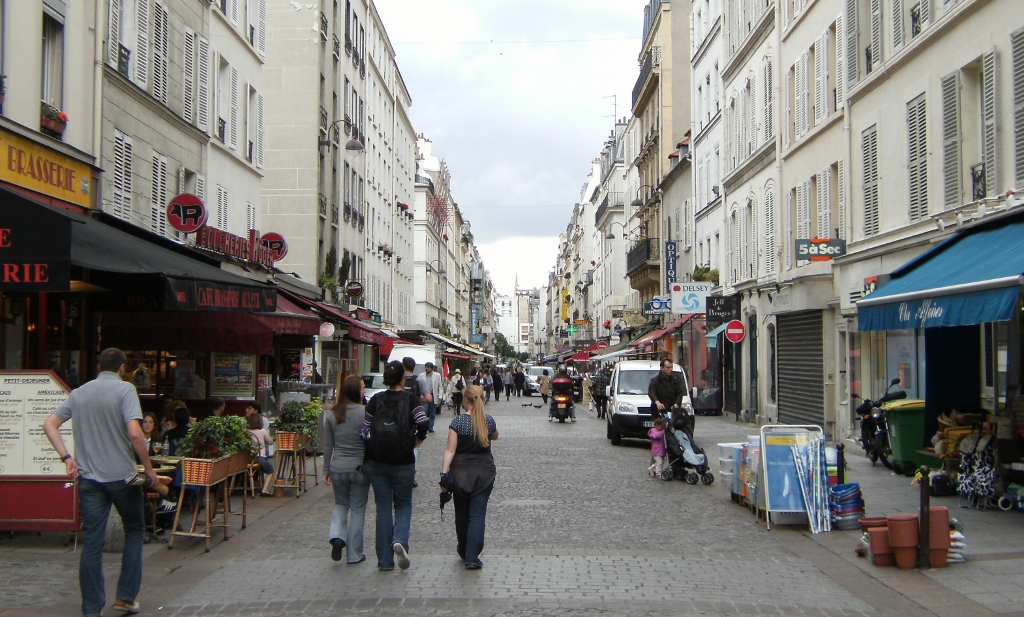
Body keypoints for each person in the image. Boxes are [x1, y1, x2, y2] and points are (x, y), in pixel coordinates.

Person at [42, 348, 159, 617]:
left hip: (89, 477)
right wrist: (149, 468)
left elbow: (49, 424)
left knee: (92, 541)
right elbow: (135, 434)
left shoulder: (79, 393)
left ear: (98, 366)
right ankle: (125, 597)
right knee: (134, 529)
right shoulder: (125, 390)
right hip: (123, 475)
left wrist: (67, 458)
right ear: (122, 368)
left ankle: (92, 608)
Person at [360, 360, 429, 571]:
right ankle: (400, 540)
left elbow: (364, 430)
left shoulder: (376, 400)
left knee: (382, 508)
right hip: (403, 461)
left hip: (377, 461)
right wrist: (418, 439)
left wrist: (372, 444)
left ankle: (384, 561)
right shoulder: (411, 399)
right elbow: (423, 421)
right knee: (403, 504)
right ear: (403, 378)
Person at [440, 384, 498, 570]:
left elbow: (450, 450)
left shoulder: (457, 423)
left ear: (466, 400)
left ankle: (464, 549)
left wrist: (444, 473)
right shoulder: (488, 421)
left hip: (460, 473)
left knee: (462, 514)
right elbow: (495, 436)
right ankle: (473, 555)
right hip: (484, 472)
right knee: (477, 515)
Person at [323, 375, 370, 565]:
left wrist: (326, 469)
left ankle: (337, 535)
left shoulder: (332, 414)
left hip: (338, 467)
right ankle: (354, 554)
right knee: (358, 510)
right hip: (360, 467)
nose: (364, 391)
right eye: (362, 387)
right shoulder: (366, 413)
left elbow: (328, 445)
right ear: (356, 391)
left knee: (341, 504)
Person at [417, 362, 444, 434]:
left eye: (428, 367)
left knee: (432, 413)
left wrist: (440, 396)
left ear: (431, 368)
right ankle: (423, 426)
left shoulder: (437, 375)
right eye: (426, 367)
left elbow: (440, 387)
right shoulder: (421, 376)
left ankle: (431, 427)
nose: (426, 368)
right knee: (424, 411)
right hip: (425, 396)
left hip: (433, 396)